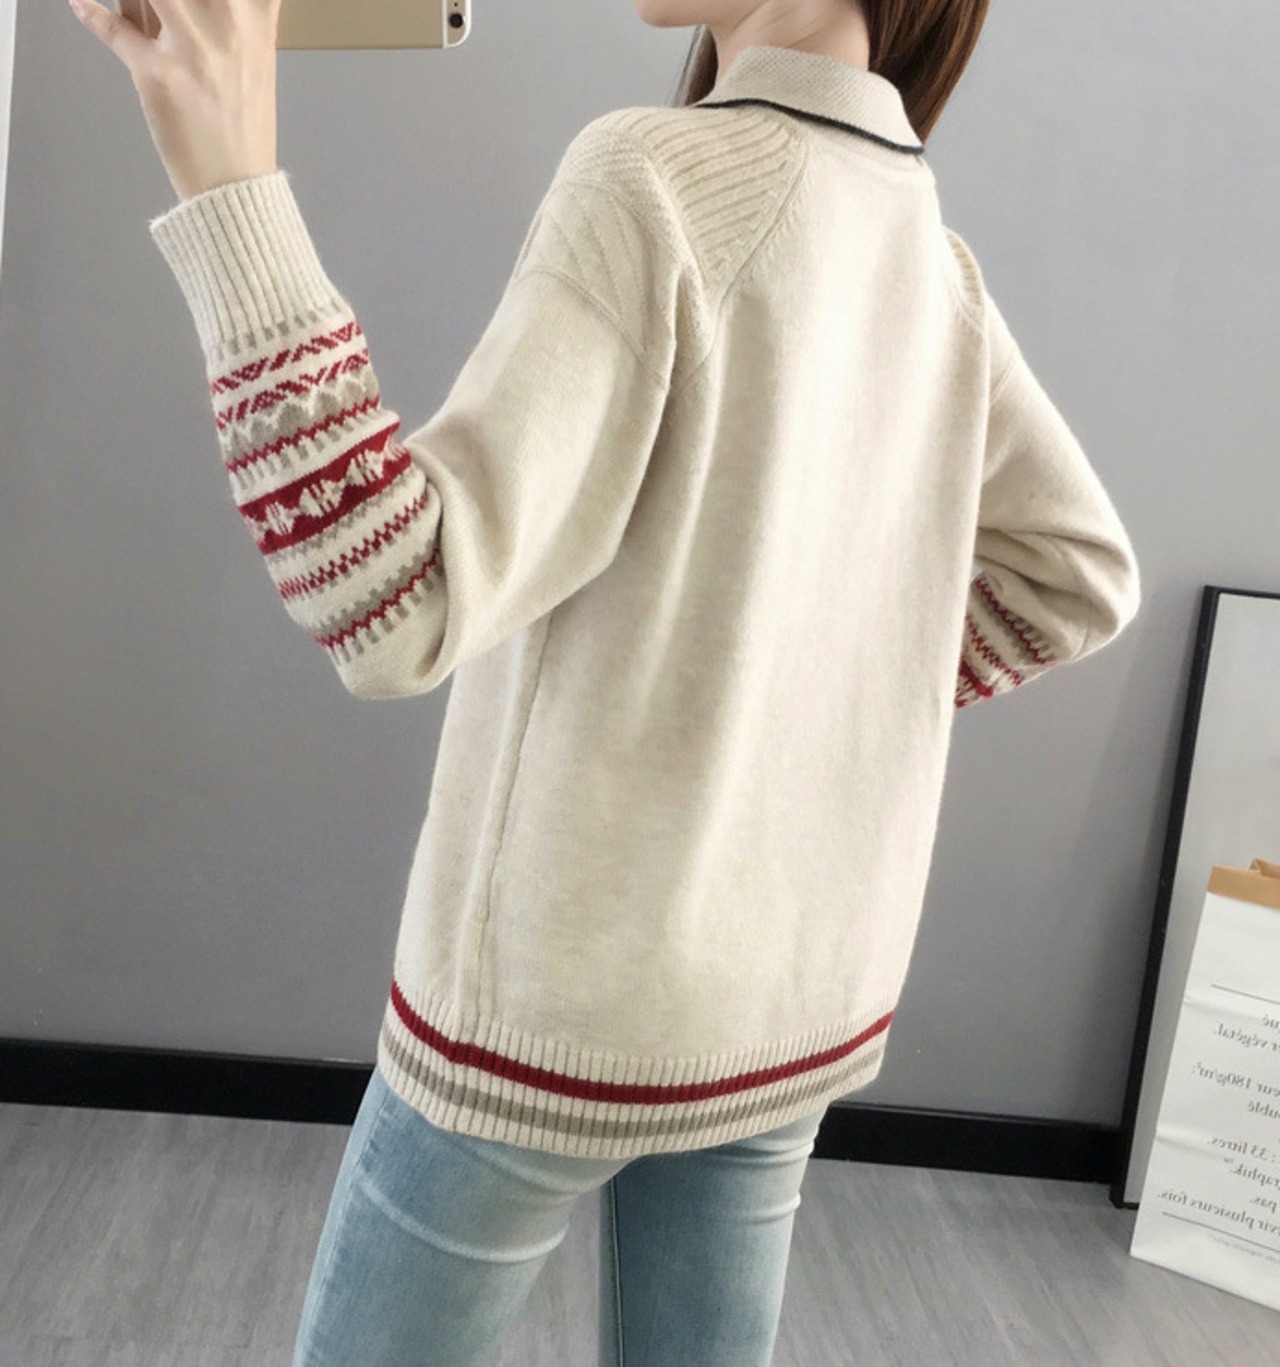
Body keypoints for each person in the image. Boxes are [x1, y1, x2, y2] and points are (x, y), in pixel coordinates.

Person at [70, 1, 1142, 1363]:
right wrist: (812, 691)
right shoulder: (931, 260)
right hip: (796, 1012)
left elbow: (391, 598)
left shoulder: (654, 176)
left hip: (555, 1015)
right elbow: (1078, 575)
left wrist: (230, 180)